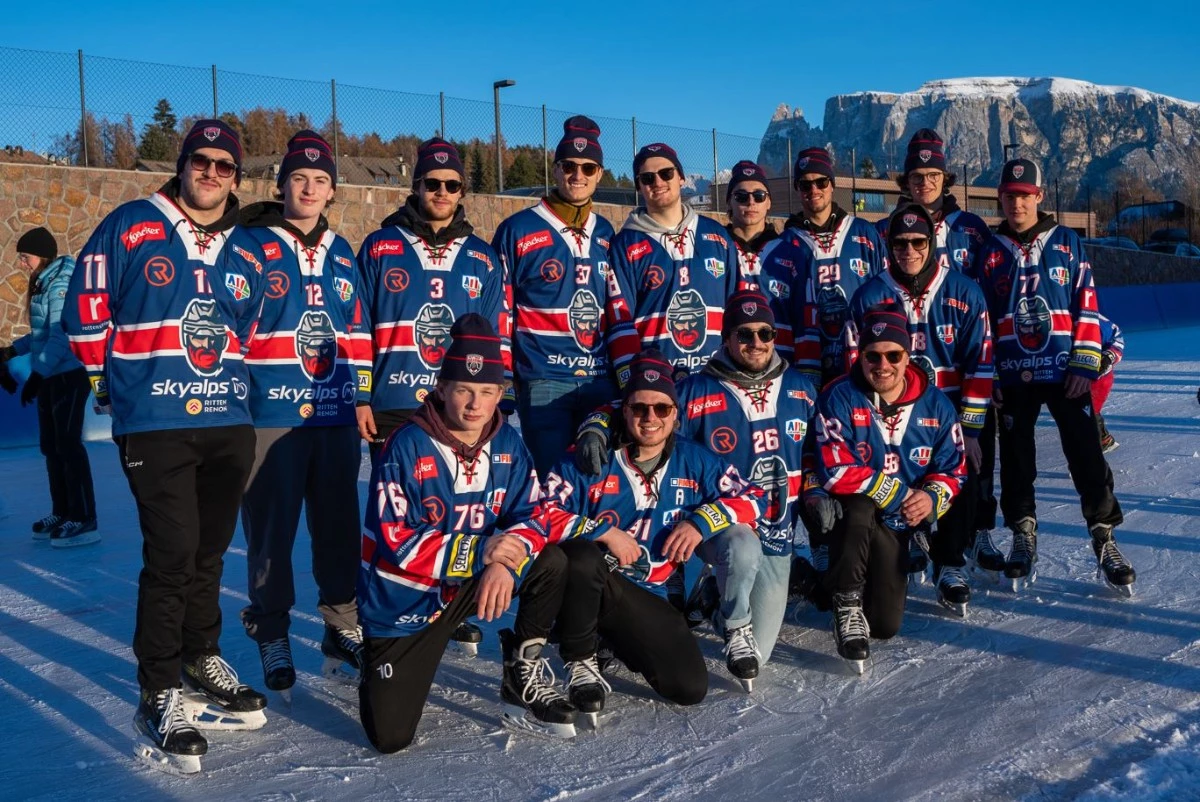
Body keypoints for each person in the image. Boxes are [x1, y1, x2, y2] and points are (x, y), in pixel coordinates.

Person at [61, 119, 267, 776]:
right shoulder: (132, 224)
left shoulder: (246, 248)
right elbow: (85, 307)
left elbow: (250, 328)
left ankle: (200, 655)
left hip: (228, 421)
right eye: (200, 161)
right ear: (181, 164)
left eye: (224, 166)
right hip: (155, 420)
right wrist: (108, 382)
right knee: (173, 551)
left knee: (208, 551)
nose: (211, 173)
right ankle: (159, 688)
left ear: (236, 177)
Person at [573, 291, 818, 689]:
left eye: (765, 333)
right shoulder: (696, 389)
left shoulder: (801, 388)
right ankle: (708, 595)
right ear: (727, 338)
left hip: (776, 529)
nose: (756, 342)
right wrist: (597, 425)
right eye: (744, 334)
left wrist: (817, 491)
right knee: (739, 544)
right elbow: (642, 407)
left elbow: (819, 452)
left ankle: (712, 599)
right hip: (715, 528)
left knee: (761, 651)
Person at [357, 315, 576, 751]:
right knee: (390, 737)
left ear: (500, 393)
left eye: (487, 392)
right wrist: (484, 552)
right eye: (463, 390)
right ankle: (376, 661)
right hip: (408, 601)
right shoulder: (404, 446)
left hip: (469, 581)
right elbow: (399, 542)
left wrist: (503, 562)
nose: (475, 404)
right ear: (441, 389)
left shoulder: (509, 443)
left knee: (551, 561)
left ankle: (521, 673)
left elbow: (534, 514)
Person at [539, 350, 763, 718]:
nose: (650, 418)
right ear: (624, 411)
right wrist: (603, 531)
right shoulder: (588, 458)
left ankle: (712, 612)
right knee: (580, 555)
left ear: (675, 414)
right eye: (640, 408)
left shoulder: (694, 458)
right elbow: (539, 514)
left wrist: (702, 521)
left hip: (651, 592)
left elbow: (755, 496)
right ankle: (581, 656)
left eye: (661, 408)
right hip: (595, 586)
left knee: (689, 687)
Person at [230, 130, 373, 697]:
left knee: (338, 527)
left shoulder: (340, 250)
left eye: (320, 181)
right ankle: (272, 631)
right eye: (299, 178)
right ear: (281, 184)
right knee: (272, 530)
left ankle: (341, 627)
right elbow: (230, 325)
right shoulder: (250, 243)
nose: (309, 189)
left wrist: (362, 396)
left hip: (334, 415)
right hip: (271, 412)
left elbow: (357, 329)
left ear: (332, 190)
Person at [356, 137, 509, 652]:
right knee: (394, 515)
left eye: (451, 184)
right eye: (432, 183)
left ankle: (451, 604)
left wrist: (499, 398)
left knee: (455, 506)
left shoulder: (482, 257)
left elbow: (497, 333)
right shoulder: (381, 246)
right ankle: (385, 609)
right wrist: (361, 395)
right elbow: (358, 326)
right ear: (416, 185)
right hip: (395, 400)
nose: (441, 192)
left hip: (458, 407)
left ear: (462, 190)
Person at [976, 158, 1135, 596]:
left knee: (1086, 453)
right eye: (1010, 196)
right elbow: (983, 320)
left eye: (1025, 195)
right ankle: (1022, 534)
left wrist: (1084, 364)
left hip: (1066, 372)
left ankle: (1104, 536)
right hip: (1014, 373)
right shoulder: (990, 251)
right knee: (1016, 459)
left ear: (1039, 196)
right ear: (1001, 198)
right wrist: (990, 375)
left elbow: (1087, 303)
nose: (1017, 203)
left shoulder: (1066, 241)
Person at [847, 204, 993, 615]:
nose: (908, 250)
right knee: (887, 477)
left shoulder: (964, 291)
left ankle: (950, 562)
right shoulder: (869, 295)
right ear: (888, 246)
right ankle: (903, 542)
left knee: (961, 473)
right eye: (899, 243)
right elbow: (852, 363)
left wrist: (972, 431)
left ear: (932, 243)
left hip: (949, 413)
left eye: (917, 242)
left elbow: (981, 363)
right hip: (887, 413)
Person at [813, 305, 966, 673]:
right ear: (861, 356)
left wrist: (931, 497)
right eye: (873, 356)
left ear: (907, 356)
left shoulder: (937, 404)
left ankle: (814, 582)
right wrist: (901, 495)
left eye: (893, 355)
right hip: (850, 516)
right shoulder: (839, 396)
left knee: (884, 625)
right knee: (858, 504)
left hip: (899, 523)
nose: (883, 365)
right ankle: (846, 601)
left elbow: (955, 468)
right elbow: (835, 470)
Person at [491, 115, 628, 477]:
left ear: (599, 174)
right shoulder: (518, 229)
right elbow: (500, 309)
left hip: (599, 379)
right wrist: (503, 376)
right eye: (569, 166)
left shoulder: (606, 232)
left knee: (601, 483)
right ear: (555, 169)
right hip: (544, 379)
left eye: (588, 167)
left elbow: (616, 308)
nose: (577, 175)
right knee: (553, 482)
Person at [605, 143, 740, 382]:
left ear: (681, 178)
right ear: (639, 186)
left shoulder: (717, 236)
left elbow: (736, 308)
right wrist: (633, 383)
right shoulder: (625, 245)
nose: (657, 182)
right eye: (647, 178)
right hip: (656, 385)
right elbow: (620, 322)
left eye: (666, 173)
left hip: (716, 381)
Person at [0, 227, 98, 547]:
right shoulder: (44, 282)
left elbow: (61, 335)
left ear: (42, 255)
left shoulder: (60, 285)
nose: (22, 263)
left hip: (69, 373)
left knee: (68, 445)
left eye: (25, 257)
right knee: (51, 446)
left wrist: (37, 375)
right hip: (51, 373)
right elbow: (40, 335)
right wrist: (12, 351)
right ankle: (63, 511)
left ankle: (84, 517)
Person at [758, 146, 887, 378]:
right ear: (797, 189)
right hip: (807, 365)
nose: (814, 190)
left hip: (862, 362)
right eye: (805, 184)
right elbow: (779, 315)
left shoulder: (865, 233)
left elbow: (887, 296)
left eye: (821, 182)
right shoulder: (784, 244)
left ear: (832, 184)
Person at [879, 129, 990, 276]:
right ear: (907, 182)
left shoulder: (972, 227)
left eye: (933, 175)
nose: (925, 183)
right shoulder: (884, 231)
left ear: (944, 178)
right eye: (917, 176)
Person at [1093, 313, 1124, 453]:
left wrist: (1108, 356)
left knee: (1086, 412)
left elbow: (1116, 335)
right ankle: (1103, 440)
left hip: (1096, 379)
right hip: (1055, 375)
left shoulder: (1087, 315)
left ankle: (1099, 444)